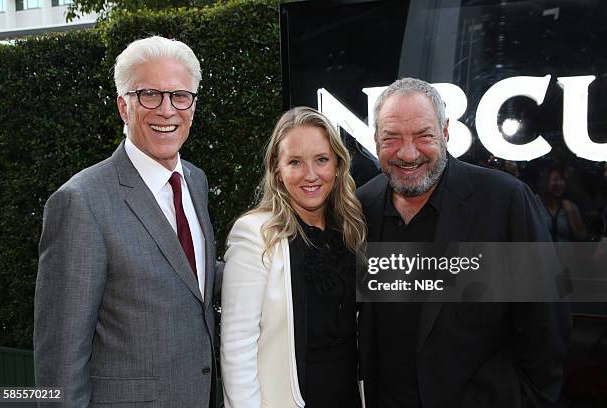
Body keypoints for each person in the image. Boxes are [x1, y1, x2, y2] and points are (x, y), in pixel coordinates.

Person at [357, 77, 571, 407]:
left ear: (444, 133)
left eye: (423, 136)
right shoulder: (361, 207)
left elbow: (547, 326)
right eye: (392, 138)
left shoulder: (505, 201)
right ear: (376, 140)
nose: (408, 152)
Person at [34, 36, 217, 407]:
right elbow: (60, 361)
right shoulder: (80, 202)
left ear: (193, 106)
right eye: (150, 94)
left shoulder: (195, 181)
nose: (167, 110)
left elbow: (189, 277)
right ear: (123, 106)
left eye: (180, 96)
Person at [220, 107, 366, 408]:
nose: (310, 175)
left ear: (338, 165)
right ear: (277, 169)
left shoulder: (350, 229)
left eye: (321, 160)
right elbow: (236, 347)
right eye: (295, 162)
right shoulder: (255, 234)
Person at [537, 166, 588, 241]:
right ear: (546, 181)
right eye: (555, 179)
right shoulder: (535, 203)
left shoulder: (570, 206)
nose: (560, 183)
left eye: (563, 179)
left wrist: (571, 212)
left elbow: (582, 236)